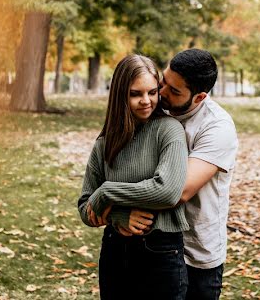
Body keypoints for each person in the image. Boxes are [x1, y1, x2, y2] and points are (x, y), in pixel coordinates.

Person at [100, 49, 239, 300]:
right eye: (164, 82)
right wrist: (117, 212)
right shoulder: (154, 109)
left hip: (195, 253)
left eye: (174, 91)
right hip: (151, 247)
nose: (161, 93)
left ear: (199, 97)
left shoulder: (217, 127)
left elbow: (176, 192)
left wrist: (107, 196)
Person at [77, 54, 189, 299]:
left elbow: (168, 191)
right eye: (135, 94)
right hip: (115, 251)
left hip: (161, 252)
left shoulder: (169, 130)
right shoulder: (105, 143)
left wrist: (107, 192)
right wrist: (119, 215)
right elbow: (86, 206)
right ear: (120, 95)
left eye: (152, 92)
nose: (146, 101)